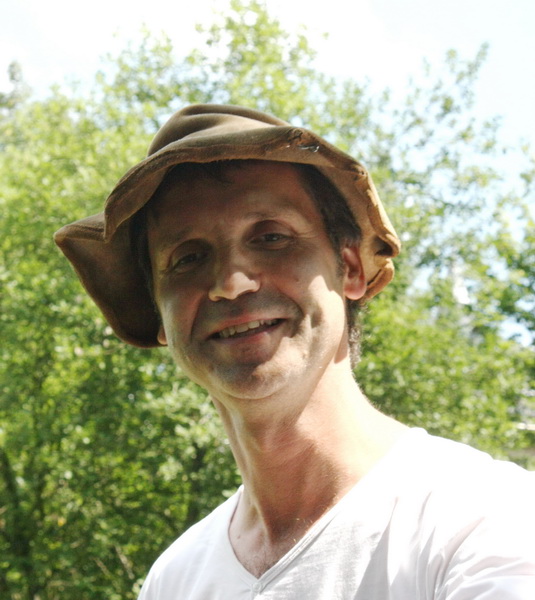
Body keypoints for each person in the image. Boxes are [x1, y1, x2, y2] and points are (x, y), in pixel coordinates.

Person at [54, 104, 535, 599]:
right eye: (188, 258)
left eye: (271, 237)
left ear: (350, 268)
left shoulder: (485, 521)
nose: (231, 282)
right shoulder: (174, 581)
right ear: (158, 313)